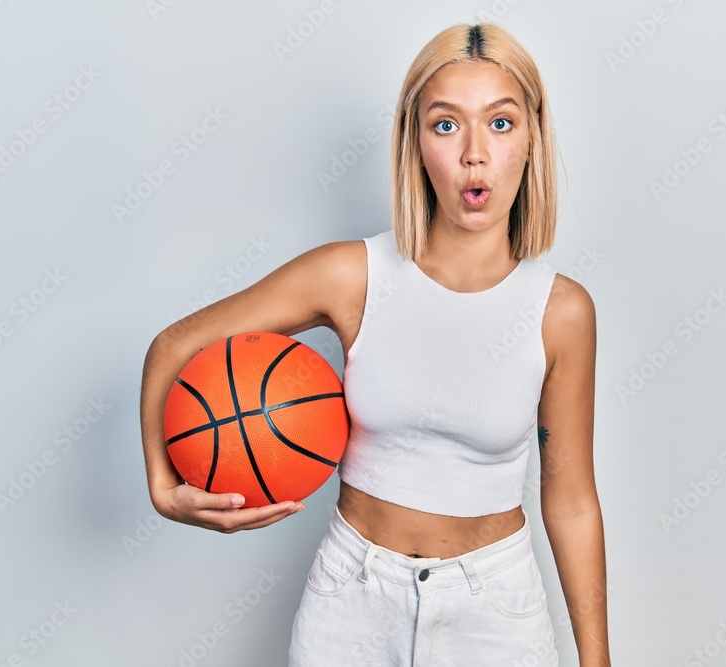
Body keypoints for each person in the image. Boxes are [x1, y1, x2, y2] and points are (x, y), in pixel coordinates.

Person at [139, 21, 610, 667]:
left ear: (532, 138)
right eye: (446, 124)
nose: (475, 152)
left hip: (495, 610)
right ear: (416, 145)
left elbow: (572, 497)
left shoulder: (561, 311)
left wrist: (597, 657)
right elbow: (175, 345)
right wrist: (164, 488)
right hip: (351, 599)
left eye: (500, 123)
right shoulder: (351, 276)